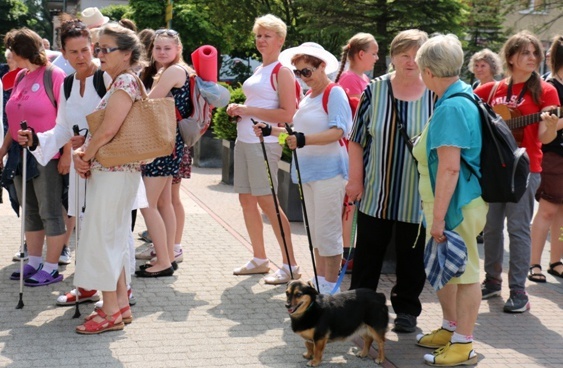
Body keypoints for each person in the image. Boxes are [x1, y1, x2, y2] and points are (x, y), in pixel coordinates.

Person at [346, 29, 431, 332]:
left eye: (416, 55)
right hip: (376, 190)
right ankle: (360, 309)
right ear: (392, 57)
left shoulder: (435, 92)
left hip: (417, 193)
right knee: (368, 254)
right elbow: (356, 139)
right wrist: (355, 180)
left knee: (412, 257)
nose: (410, 61)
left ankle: (407, 310)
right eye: (403, 55)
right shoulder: (375, 89)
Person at [411, 33, 487, 366]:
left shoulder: (452, 106)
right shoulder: (459, 97)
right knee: (449, 270)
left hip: (456, 205)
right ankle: (451, 328)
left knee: (467, 272)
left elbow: (450, 169)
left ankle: (463, 342)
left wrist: (439, 217)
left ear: (428, 71)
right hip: (454, 202)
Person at [474, 31, 560, 313]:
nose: (533, 58)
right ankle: (491, 281)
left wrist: (548, 124)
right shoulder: (492, 89)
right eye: (526, 53)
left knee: (518, 229)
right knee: (491, 229)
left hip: (525, 168)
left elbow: (546, 139)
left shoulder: (546, 91)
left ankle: (519, 291)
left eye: (536, 53)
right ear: (510, 57)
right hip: (494, 168)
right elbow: (471, 110)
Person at [256, 42, 351, 293]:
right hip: (308, 172)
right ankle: (320, 283)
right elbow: (295, 134)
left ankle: (330, 289)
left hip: (329, 173)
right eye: (298, 73)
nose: (302, 78)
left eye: (306, 71)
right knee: (316, 233)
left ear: (322, 67)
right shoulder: (309, 96)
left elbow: (340, 130)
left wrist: (303, 140)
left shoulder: (335, 92)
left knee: (328, 233)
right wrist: (270, 131)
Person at [72, 23, 144, 334]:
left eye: (106, 49)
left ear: (126, 53)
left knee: (103, 239)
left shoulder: (124, 82)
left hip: (114, 173)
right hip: (116, 173)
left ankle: (111, 311)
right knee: (109, 238)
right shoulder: (124, 81)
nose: (99, 54)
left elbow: (109, 130)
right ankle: (119, 307)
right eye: (97, 48)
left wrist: (85, 155)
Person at [226, 14, 300, 284]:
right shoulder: (261, 69)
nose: (261, 40)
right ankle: (259, 259)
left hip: (265, 144)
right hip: (244, 141)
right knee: (246, 200)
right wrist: (238, 110)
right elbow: (259, 104)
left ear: (280, 40)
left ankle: (291, 264)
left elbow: (288, 113)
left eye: (267, 35)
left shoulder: (282, 71)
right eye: (259, 35)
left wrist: (248, 109)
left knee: (268, 203)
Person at [0, 27, 67, 286]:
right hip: (19, 153)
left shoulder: (54, 75)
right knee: (29, 210)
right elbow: (13, 120)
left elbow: (66, 117)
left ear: (18, 51)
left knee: (50, 210)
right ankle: (35, 261)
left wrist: (67, 156)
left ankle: (51, 267)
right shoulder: (19, 78)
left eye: (10, 50)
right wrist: (4, 150)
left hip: (45, 153)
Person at [134, 28, 189, 277]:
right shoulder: (167, 71)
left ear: (178, 50)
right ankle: (168, 255)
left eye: (168, 48)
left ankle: (163, 261)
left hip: (162, 143)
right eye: (158, 47)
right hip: (167, 142)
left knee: (146, 203)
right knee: (164, 203)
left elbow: (148, 102)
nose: (162, 52)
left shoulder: (174, 71)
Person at [334, 32, 379, 273]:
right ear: (361, 54)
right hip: (350, 150)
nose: (376, 57)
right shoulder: (351, 80)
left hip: (358, 149)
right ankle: (347, 253)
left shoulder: (359, 79)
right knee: (349, 205)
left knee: (351, 205)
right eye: (374, 53)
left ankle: (349, 251)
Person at [529, 35, 563, 282]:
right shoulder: (550, 86)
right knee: (548, 211)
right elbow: (546, 125)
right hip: (554, 156)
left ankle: (555, 261)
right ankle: (534, 264)